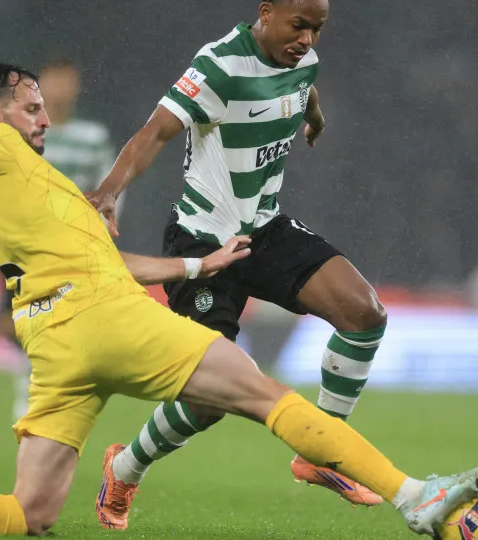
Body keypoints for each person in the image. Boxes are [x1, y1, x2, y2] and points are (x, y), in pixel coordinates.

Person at [0, 63, 478, 537]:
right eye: (31, 107)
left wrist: (199, 263)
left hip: (54, 345)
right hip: (104, 318)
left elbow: (111, 260)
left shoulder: (23, 190)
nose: (44, 118)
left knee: (30, 513)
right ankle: (417, 498)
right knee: (265, 395)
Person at [88, 0, 390, 525]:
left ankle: (322, 452)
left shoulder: (302, 60)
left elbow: (304, 87)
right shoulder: (220, 64)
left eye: (317, 29)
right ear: (266, 13)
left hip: (264, 230)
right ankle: (125, 467)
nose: (308, 39)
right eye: (299, 25)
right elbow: (156, 130)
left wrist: (314, 118)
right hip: (204, 242)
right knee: (212, 398)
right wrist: (110, 189)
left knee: (365, 315)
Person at [0, 59, 119, 422]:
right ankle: (29, 386)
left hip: (74, 248)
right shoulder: (22, 131)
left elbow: (109, 188)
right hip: (26, 245)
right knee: (21, 320)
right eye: (54, 81)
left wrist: (105, 230)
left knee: (67, 324)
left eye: (67, 81)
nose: (60, 89)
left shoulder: (92, 137)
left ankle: (53, 395)